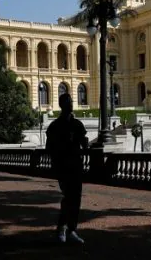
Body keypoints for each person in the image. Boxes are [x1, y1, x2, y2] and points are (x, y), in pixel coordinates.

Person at [46, 93, 89, 244]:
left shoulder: (77, 124)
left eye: (71, 101)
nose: (71, 104)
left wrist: (84, 143)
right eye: (68, 102)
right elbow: (49, 148)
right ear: (62, 105)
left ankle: (71, 229)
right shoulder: (55, 126)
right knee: (69, 197)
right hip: (63, 166)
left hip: (76, 165)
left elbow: (84, 144)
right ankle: (62, 228)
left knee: (75, 198)